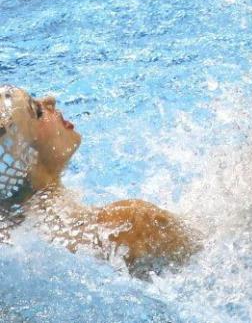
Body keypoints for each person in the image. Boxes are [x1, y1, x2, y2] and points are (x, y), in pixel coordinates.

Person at [0, 85, 196, 275]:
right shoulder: (126, 224)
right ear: (25, 155)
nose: (49, 100)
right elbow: (211, 248)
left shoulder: (12, 244)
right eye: (37, 111)